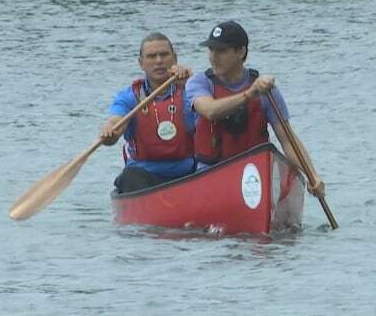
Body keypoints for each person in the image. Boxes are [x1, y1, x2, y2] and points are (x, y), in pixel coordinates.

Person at [185, 21, 326, 197]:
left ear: (241, 52)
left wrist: (312, 176)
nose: (213, 57)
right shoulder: (199, 83)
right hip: (211, 172)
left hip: (253, 176)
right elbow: (210, 110)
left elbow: (287, 140)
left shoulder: (267, 91)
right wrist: (250, 94)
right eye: (211, 50)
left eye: (221, 51)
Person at [99, 32, 195, 193]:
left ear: (175, 58)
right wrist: (109, 131)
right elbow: (116, 122)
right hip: (144, 177)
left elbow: (211, 108)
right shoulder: (129, 97)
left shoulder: (191, 89)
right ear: (141, 63)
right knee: (129, 177)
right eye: (151, 56)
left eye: (164, 55)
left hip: (188, 174)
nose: (158, 61)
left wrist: (191, 79)